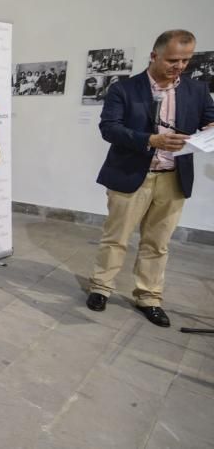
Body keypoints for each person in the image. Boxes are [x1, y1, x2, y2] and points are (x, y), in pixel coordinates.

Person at [86, 29, 214, 327]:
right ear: (154, 55)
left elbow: (210, 117)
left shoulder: (196, 90)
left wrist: (209, 130)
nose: (179, 66)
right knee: (115, 238)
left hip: (173, 177)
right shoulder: (125, 89)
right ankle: (101, 288)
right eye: (172, 59)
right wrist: (150, 140)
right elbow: (109, 128)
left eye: (186, 60)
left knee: (157, 243)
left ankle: (149, 297)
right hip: (131, 174)